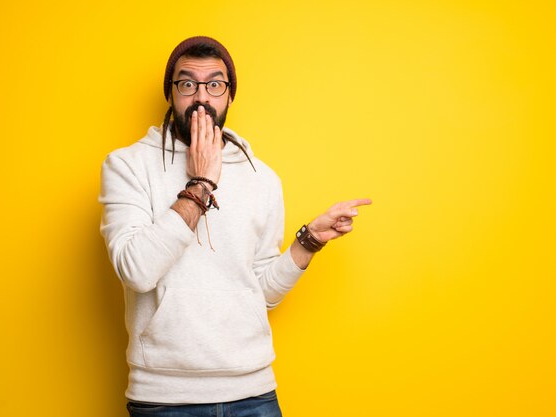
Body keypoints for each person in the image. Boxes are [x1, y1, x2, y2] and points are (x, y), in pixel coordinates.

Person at [99, 36, 371, 417]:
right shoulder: (127, 166)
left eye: (215, 84)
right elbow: (137, 271)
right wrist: (201, 184)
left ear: (228, 96)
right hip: (165, 399)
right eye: (187, 83)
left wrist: (307, 243)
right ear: (171, 93)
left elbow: (260, 292)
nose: (201, 97)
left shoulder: (263, 178)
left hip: (254, 393)